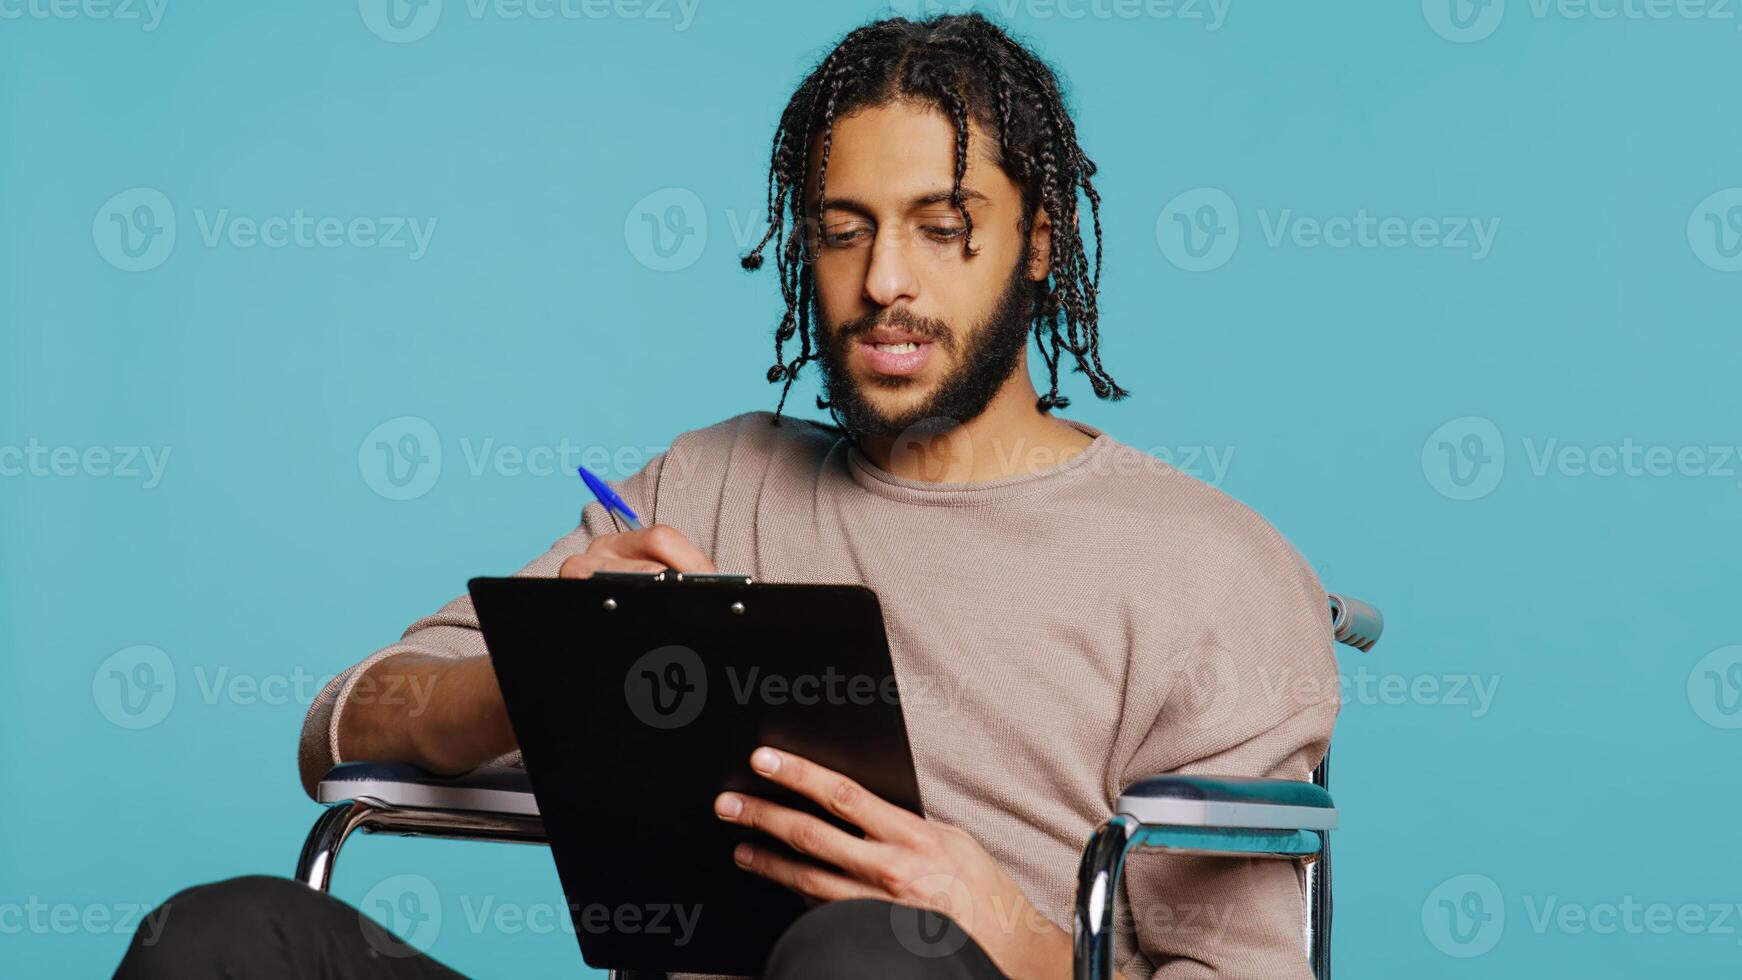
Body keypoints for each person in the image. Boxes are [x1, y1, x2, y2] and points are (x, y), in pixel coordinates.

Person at [118, 11, 1338, 979]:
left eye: (941, 224)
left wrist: (1010, 935)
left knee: (866, 954)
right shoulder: (707, 481)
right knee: (220, 938)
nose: (883, 281)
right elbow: (339, 727)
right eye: (842, 230)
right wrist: (545, 663)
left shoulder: (1209, 566)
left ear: (1038, 242)